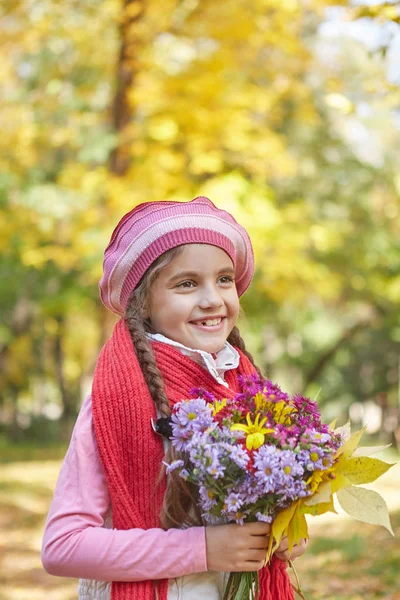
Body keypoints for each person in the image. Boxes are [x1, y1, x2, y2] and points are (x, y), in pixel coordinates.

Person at [42, 196, 307, 600]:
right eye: (186, 283)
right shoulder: (116, 400)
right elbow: (63, 546)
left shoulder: (246, 393)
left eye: (223, 279)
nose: (212, 299)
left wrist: (284, 535)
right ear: (143, 302)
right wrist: (202, 549)